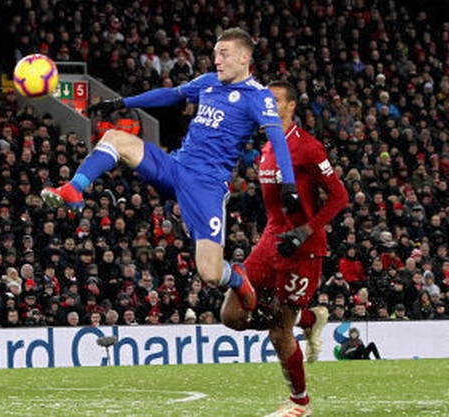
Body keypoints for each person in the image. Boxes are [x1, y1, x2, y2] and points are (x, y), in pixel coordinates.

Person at [42, 28, 301, 311]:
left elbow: (277, 139)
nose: (217, 60)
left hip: (207, 187)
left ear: (244, 58)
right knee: (114, 138)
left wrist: (289, 185)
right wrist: (121, 103)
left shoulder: (258, 96)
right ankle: (74, 188)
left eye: (224, 55)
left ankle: (236, 277)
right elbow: (170, 95)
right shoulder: (208, 82)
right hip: (176, 167)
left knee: (210, 274)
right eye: (215, 54)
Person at [220, 80, 349, 416]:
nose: (268, 106)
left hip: (303, 248)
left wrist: (305, 230)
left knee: (279, 333)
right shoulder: (267, 147)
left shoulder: (308, 147)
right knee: (231, 316)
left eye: (274, 100)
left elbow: (339, 197)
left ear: (292, 105)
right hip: (270, 241)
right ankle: (309, 318)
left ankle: (299, 404)